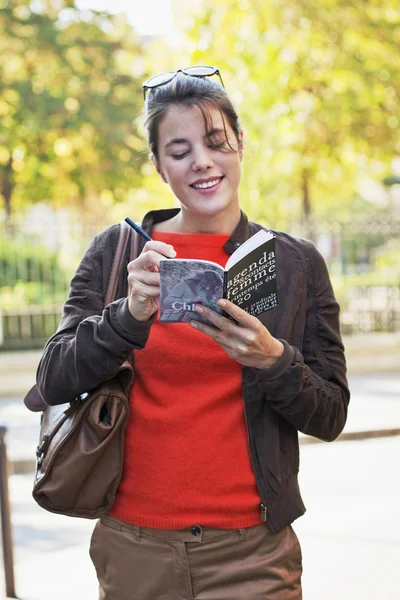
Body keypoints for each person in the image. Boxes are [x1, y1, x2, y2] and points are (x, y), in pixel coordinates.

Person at [36, 66, 350, 600]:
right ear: (159, 166)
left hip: (254, 551)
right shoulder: (117, 252)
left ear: (240, 144)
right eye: (178, 151)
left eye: (215, 142)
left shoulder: (296, 263)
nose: (202, 161)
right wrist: (127, 317)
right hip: (135, 547)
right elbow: (52, 379)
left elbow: (331, 414)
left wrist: (273, 359)